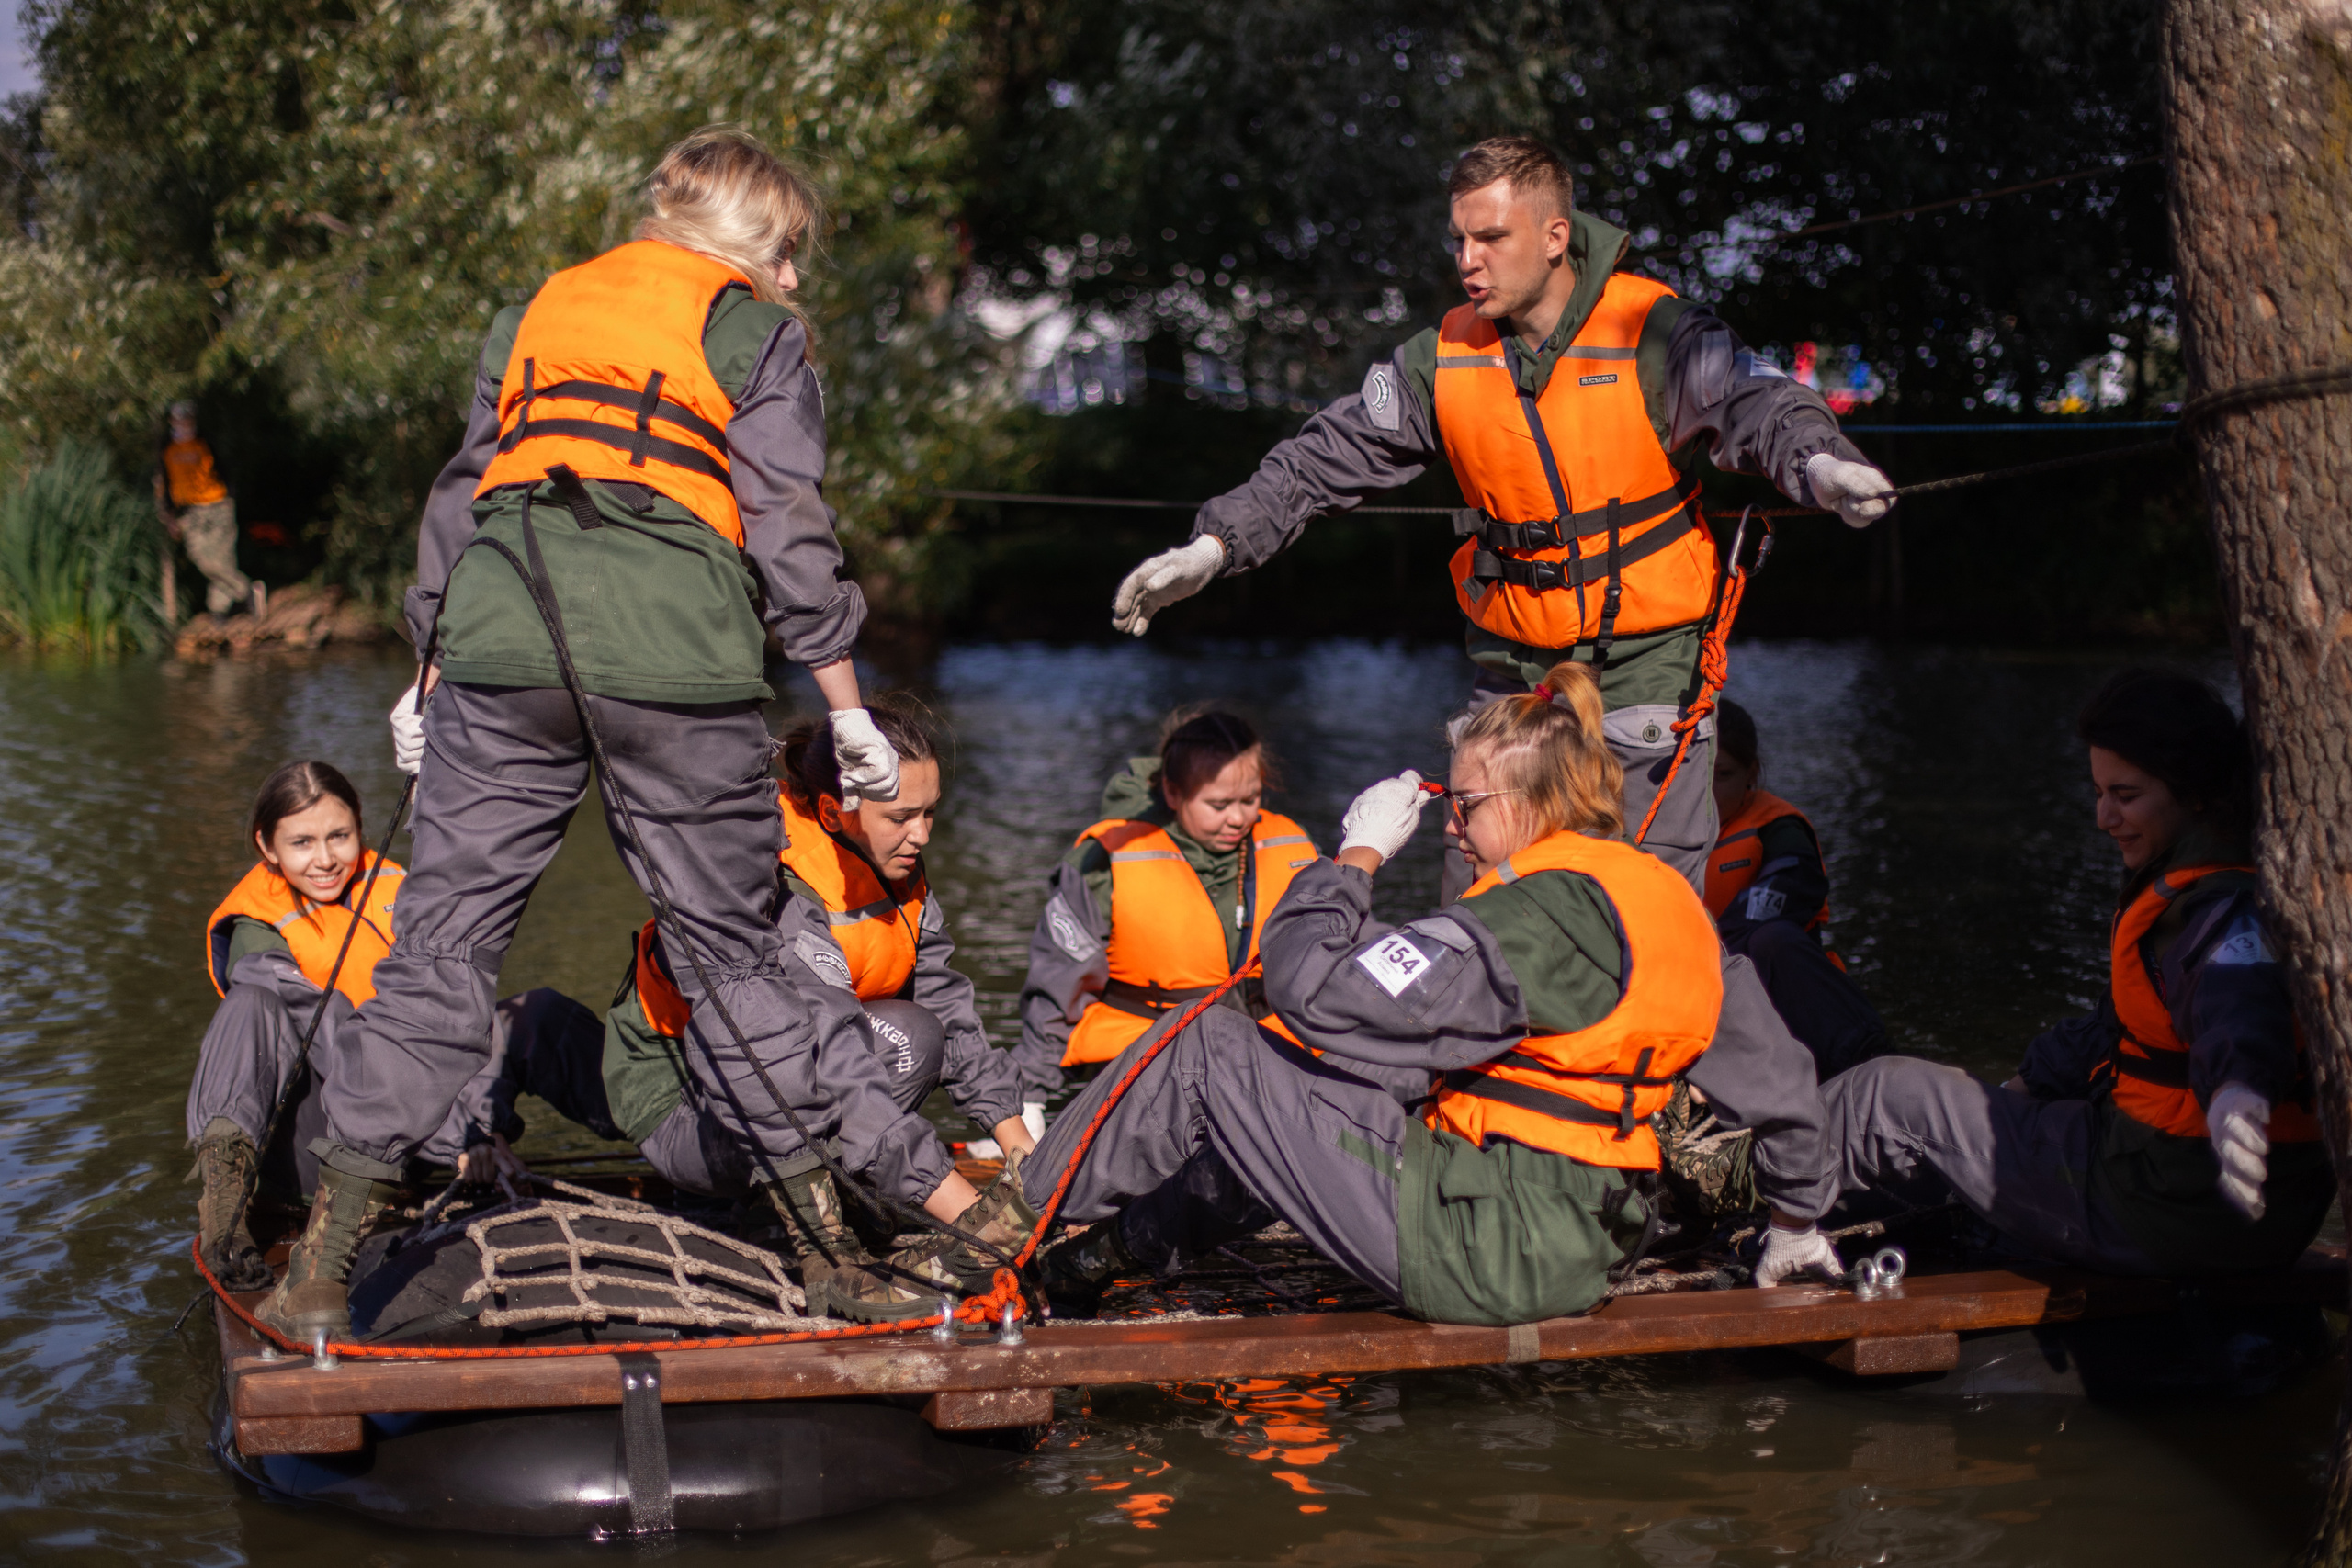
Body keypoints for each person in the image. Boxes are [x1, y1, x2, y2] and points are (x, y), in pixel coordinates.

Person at [256, 127, 1012, 1339]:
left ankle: (318, 1267)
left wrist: (427, 664)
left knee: (439, 946)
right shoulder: (754, 334)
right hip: (675, 657)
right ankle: (827, 1256)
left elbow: (465, 490)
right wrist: (846, 706)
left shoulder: (531, 313)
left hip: (503, 639)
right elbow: (788, 529)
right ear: (728, 237)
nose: (796, 279)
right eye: (786, 251)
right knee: (738, 957)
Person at [1105, 136, 1895, 897]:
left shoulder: (1653, 329)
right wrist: (1215, 545)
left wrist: (1819, 465)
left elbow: (1761, 403)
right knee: (1483, 900)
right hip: (1512, 675)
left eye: (1490, 237)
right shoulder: (1440, 357)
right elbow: (1318, 459)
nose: (1467, 261)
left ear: (1555, 237)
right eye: (1458, 239)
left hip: (1648, 667)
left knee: (1646, 902)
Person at [1020, 662, 1846, 1325]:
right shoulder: (1667, 904)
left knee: (1211, 1044)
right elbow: (1785, 1092)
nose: (1451, 823)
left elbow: (1312, 990)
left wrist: (1356, 859)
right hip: (1593, 1242)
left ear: (1528, 802)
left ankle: (1013, 1225)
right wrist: (1797, 1225)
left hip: (1482, 1246)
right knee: (1318, 1088)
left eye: (1466, 803)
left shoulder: (1524, 916)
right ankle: (1083, 1265)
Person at [1820, 670, 2333, 1274]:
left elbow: (2236, 997)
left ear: (2194, 793)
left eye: (2126, 794)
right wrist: (2029, 1084)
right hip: (2254, 1210)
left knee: (1883, 1094)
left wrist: (2237, 1090)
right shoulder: (2247, 879)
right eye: (2097, 792)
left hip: (2167, 1205)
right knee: (2004, 1105)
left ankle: (1744, 1200)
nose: (2103, 816)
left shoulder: (2217, 910)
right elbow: (2118, 1028)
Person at [492, 698, 1035, 1252]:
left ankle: (847, 1187)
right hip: (688, 1107)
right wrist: (968, 1213)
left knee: (923, 1030)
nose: (921, 836)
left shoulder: (894, 866)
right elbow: (833, 1064)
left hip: (780, 1085)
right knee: (907, 1041)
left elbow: (949, 1010)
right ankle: (771, 1205)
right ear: (831, 814)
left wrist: (1023, 1157)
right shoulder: (777, 890)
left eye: (930, 813)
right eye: (900, 818)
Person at [188, 761, 521, 1289]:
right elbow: (331, 1034)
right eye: (301, 843)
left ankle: (688, 1155)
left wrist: (476, 1128)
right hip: (315, 1149)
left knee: (529, 1014)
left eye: (339, 836)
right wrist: (452, 1139)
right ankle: (224, 1206)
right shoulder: (255, 927)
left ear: (360, 827)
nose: (324, 860)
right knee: (251, 1003)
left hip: (410, 1130)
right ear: (267, 847)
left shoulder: (400, 888)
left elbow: (450, 1012)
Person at [1013, 708, 1321, 1119]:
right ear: (1174, 795)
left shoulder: (1291, 847)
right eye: (1219, 804)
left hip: (1263, 1053)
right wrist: (1029, 1099)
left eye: (1251, 799)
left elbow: (1342, 943)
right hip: (1149, 1060)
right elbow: (1057, 985)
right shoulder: (1104, 864)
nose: (1238, 817)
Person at [1705, 698, 1887, 1077]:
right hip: (1701, 994)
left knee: (1772, 938)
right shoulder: (1652, 833)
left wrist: (1715, 946)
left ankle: (1869, 1065)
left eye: (1722, 775)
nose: (1708, 792)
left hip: (1775, 995)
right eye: (1699, 776)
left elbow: (1793, 885)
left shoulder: (1779, 828)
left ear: (1751, 773)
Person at [154, 401, 263, 621]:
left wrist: (229, 497)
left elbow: (223, 470)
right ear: (172, 421)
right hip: (190, 513)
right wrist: (169, 516)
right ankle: (246, 590)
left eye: (188, 419)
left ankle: (219, 611)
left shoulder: (205, 442)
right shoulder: (167, 448)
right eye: (179, 419)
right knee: (201, 558)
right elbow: (164, 483)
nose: (184, 423)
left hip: (217, 505)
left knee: (223, 558)